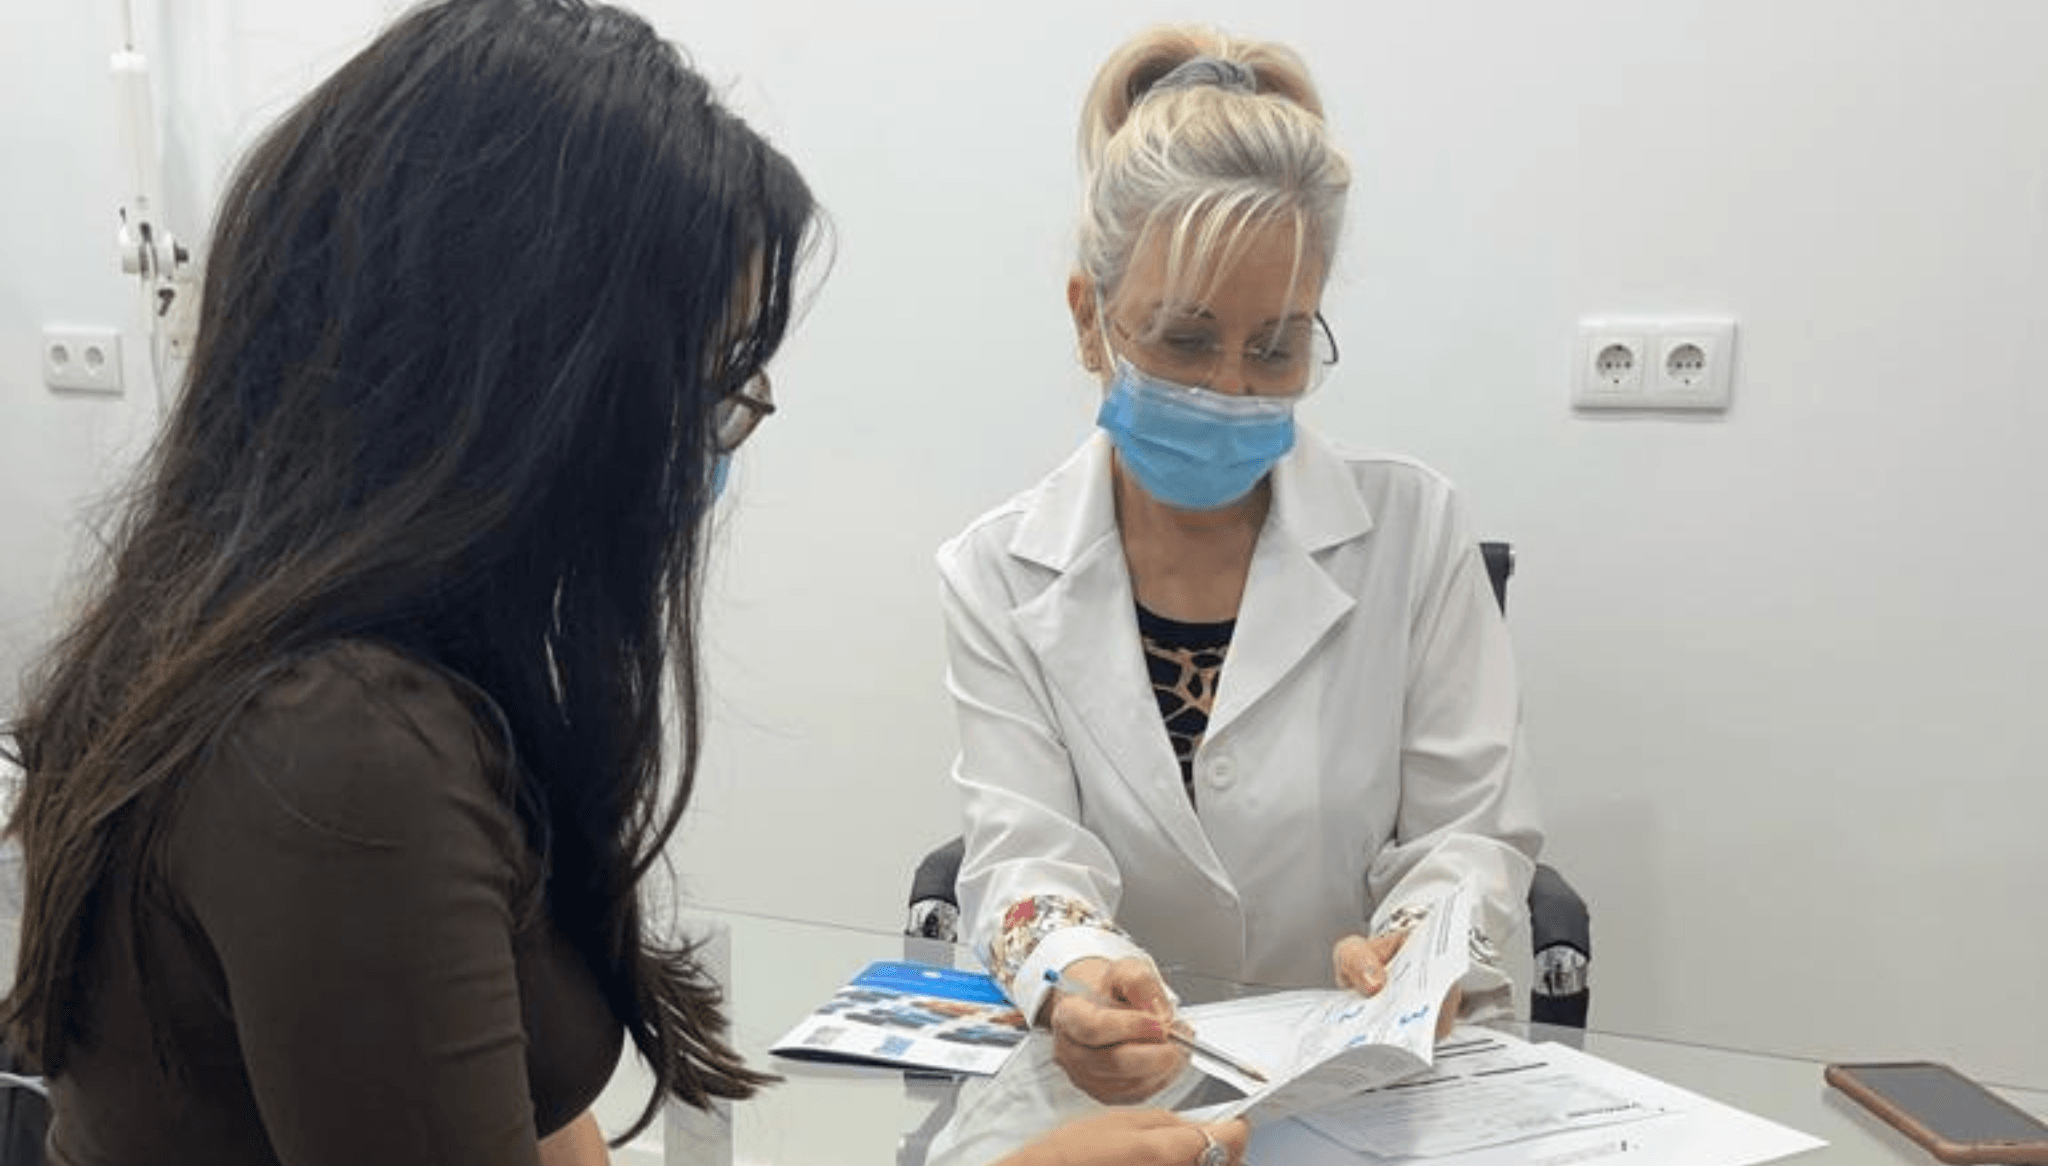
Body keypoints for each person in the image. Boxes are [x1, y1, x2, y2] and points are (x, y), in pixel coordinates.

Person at [0, 2, 1244, 1164]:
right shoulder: (337, 752)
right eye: (705, 385)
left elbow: (550, 1131)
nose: (710, 443)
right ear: (528, 386)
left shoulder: (343, 673)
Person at [941, 24, 1543, 1105]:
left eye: (1276, 347)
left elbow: (1468, 833)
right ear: (1090, 321)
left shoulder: (1414, 530)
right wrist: (1078, 974)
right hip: (1114, 1097)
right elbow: (1023, 853)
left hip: (1369, 1082)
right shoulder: (996, 572)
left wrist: (1417, 948)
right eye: (1183, 338)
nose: (1230, 388)